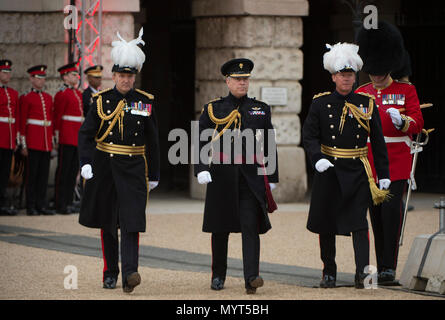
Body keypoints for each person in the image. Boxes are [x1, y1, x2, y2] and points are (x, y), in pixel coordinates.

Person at [78, 28, 160, 293]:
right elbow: (86, 134)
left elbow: (153, 140)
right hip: (105, 168)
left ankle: (130, 273)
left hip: (135, 168)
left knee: (132, 222)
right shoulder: (100, 101)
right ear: (113, 76)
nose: (126, 80)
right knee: (109, 223)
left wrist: (155, 173)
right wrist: (86, 162)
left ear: (134, 77)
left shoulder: (144, 102)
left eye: (130, 76)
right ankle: (110, 272)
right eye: (122, 75)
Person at [303, 43, 390, 289]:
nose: (346, 78)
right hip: (329, 169)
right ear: (333, 76)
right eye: (342, 74)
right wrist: (316, 157)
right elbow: (309, 136)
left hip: (357, 170)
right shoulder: (320, 103)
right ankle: (328, 272)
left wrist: (383, 173)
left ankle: (363, 274)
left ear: (355, 76)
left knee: (360, 225)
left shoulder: (367, 102)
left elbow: (379, 141)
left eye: (350, 74)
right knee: (326, 223)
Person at [194, 58, 279, 294]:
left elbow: (269, 142)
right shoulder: (214, 108)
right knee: (220, 228)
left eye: (246, 79)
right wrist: (201, 168)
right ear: (228, 81)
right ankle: (218, 275)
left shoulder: (260, 108)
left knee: (250, 227)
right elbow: (200, 139)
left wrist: (271, 176)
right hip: (221, 174)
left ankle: (251, 277)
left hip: (250, 176)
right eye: (238, 79)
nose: (243, 83)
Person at [356, 21, 424, 284]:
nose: (375, 76)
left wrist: (403, 122)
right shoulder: (362, 92)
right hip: (371, 164)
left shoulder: (406, 91)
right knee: (375, 216)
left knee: (390, 216)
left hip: (395, 163)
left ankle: (389, 268)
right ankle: (381, 265)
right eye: (372, 71)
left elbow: (417, 123)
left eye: (379, 71)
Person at [19, 65, 55, 216]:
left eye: (43, 78)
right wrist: (23, 144)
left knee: (43, 176)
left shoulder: (48, 98)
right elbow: (22, 123)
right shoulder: (26, 98)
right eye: (38, 78)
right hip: (33, 142)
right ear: (31, 79)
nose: (41, 81)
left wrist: (52, 143)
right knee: (31, 176)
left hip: (45, 142)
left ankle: (41, 205)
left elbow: (51, 122)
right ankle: (31, 205)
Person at [53, 62, 83, 214]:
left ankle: (69, 201)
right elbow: (57, 117)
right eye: (73, 74)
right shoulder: (62, 94)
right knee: (63, 172)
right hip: (66, 136)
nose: (76, 77)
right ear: (65, 76)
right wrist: (56, 138)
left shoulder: (77, 94)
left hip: (76, 137)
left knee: (72, 172)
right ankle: (60, 202)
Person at [0, 59, 19, 216]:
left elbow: (16, 117)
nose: (7, 75)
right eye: (4, 72)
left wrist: (17, 139)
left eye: (8, 72)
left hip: (9, 138)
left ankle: (3, 202)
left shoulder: (13, 93)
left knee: (5, 172)